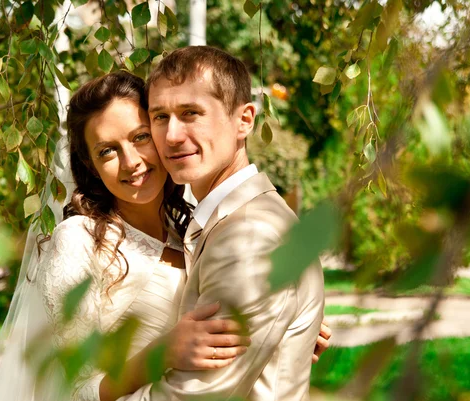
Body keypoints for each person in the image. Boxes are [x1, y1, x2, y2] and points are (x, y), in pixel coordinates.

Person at [0, 71, 253, 401]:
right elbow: (76, 390)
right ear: (90, 166)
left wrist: (282, 326)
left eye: (140, 138)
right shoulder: (78, 241)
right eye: (107, 151)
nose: (131, 162)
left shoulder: (190, 234)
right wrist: (161, 353)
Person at [118, 46, 326, 401]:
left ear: (244, 120)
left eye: (191, 113)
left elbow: (195, 395)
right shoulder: (226, 219)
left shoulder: (251, 236)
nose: (171, 136)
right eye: (160, 117)